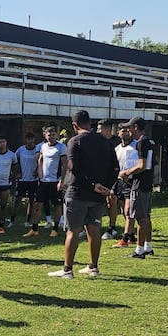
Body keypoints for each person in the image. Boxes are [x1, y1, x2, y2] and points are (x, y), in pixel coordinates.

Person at [48, 110, 118, 279]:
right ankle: (93, 267)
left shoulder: (75, 141)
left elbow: (73, 168)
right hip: (98, 196)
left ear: (74, 125)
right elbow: (115, 167)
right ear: (90, 123)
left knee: (72, 231)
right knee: (94, 230)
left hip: (78, 192)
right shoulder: (106, 142)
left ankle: (67, 269)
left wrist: (92, 185)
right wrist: (106, 187)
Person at [119, 117, 157, 259]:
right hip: (148, 183)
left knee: (141, 218)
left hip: (139, 184)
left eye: (129, 127)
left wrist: (127, 172)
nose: (128, 130)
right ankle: (148, 246)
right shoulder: (150, 141)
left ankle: (139, 250)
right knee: (146, 216)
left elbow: (142, 165)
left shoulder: (141, 142)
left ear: (136, 127)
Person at [23, 124, 66, 238]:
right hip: (44, 181)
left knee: (57, 205)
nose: (51, 137)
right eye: (49, 135)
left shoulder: (61, 147)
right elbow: (40, 159)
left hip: (55, 181)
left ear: (56, 135)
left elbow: (64, 164)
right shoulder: (43, 147)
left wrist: (62, 180)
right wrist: (40, 173)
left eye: (53, 134)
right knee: (38, 204)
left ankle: (55, 228)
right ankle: (34, 229)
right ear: (45, 135)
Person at [113, 123, 139, 248]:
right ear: (118, 133)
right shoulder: (117, 149)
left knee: (129, 210)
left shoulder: (136, 146)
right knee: (124, 210)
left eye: (127, 131)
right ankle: (132, 235)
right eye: (122, 131)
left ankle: (125, 239)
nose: (125, 133)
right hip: (119, 181)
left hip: (131, 180)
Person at [11, 133, 40, 227]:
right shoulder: (21, 150)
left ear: (34, 139)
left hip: (33, 180)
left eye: (31, 139)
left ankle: (28, 220)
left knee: (32, 201)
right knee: (17, 200)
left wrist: (38, 171)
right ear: (25, 140)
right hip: (22, 179)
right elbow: (15, 161)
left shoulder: (37, 149)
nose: (30, 141)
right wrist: (17, 172)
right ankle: (12, 220)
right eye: (28, 139)